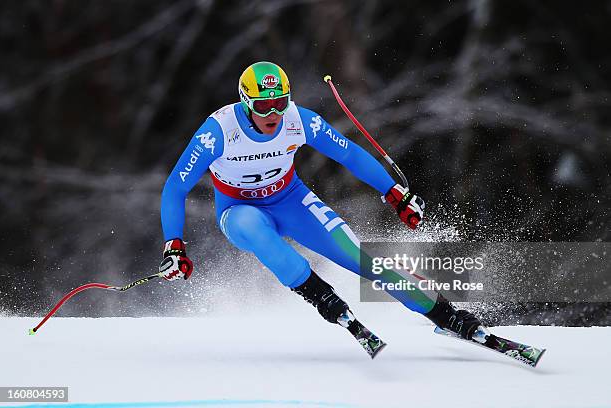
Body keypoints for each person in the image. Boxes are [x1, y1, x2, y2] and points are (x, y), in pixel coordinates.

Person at [159, 61, 482, 348]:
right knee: (252, 227)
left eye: (280, 103)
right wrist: (173, 245)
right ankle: (320, 295)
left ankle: (444, 315)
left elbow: (348, 153)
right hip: (238, 209)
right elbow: (176, 187)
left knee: (362, 260)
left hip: (291, 200)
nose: (273, 114)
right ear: (246, 104)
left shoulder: (299, 120)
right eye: (263, 106)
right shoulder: (217, 132)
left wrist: (393, 192)